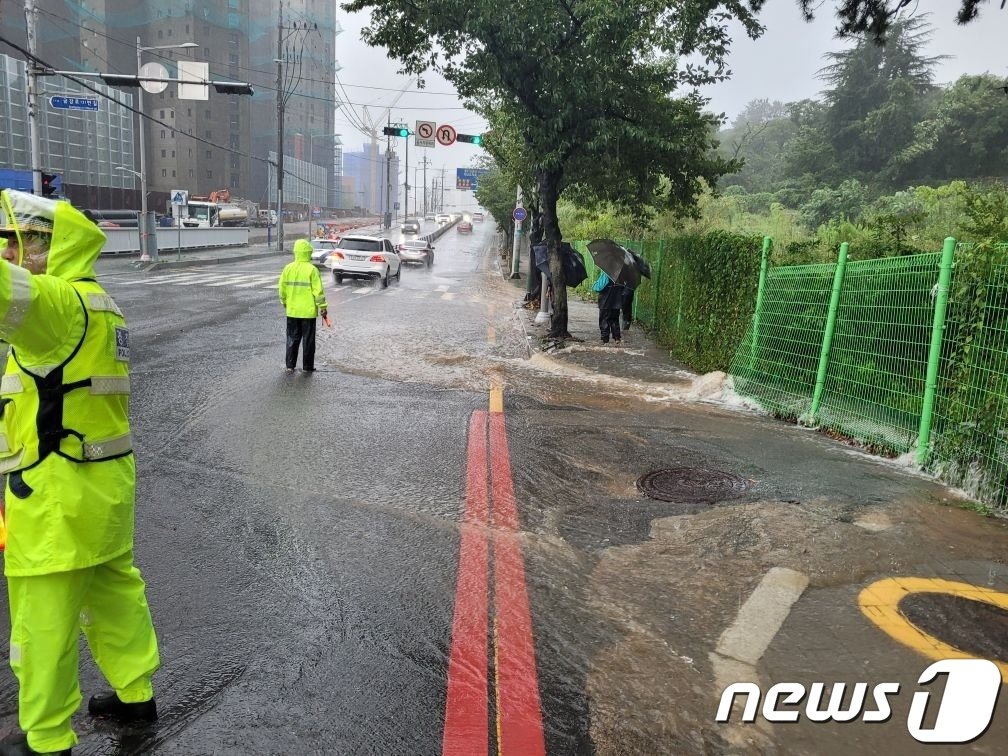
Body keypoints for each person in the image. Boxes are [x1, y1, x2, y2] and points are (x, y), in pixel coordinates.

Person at [0, 190, 161, 756]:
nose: (11, 255)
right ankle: (136, 693)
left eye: (16, 243)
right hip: (104, 486)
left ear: (48, 247)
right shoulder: (97, 301)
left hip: (54, 493)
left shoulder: (55, 306)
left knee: (44, 618)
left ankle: (45, 738)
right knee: (115, 593)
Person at [279, 238, 328, 373]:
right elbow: (318, 291)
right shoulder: (312, 270)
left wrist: (284, 302)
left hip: (292, 311)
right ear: (308, 253)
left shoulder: (288, 268)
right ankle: (307, 367)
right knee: (308, 341)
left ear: (296, 252)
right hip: (308, 312)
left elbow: (282, 289)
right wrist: (323, 306)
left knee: (292, 339)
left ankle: (290, 366)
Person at [592, 270, 623, 345]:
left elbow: (598, 288)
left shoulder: (606, 273)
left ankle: (605, 339)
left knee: (604, 320)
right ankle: (617, 338)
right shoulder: (621, 276)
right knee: (615, 320)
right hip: (616, 302)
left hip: (605, 302)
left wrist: (595, 284)